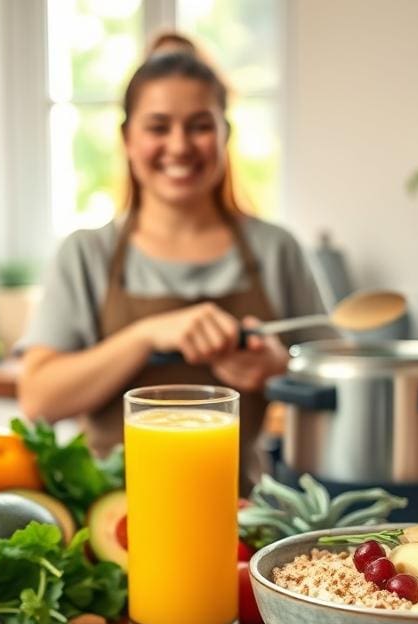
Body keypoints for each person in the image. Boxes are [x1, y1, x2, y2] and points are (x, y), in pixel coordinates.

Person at [17, 32, 324, 489]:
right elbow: (38, 399)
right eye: (158, 127)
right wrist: (144, 335)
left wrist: (279, 370)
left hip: (240, 515)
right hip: (109, 517)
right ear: (127, 138)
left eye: (199, 125)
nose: (179, 146)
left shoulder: (276, 250)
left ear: (225, 134)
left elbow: (335, 388)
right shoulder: (86, 254)